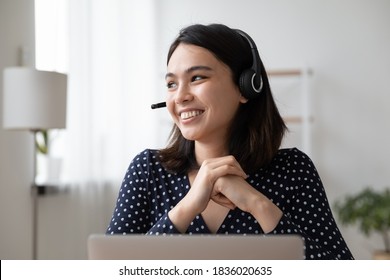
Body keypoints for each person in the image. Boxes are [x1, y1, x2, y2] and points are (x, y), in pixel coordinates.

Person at [106, 23, 354, 260]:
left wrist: (258, 204)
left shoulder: (293, 170)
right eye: (171, 84)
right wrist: (188, 206)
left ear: (245, 87)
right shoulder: (148, 169)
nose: (180, 97)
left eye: (197, 78)